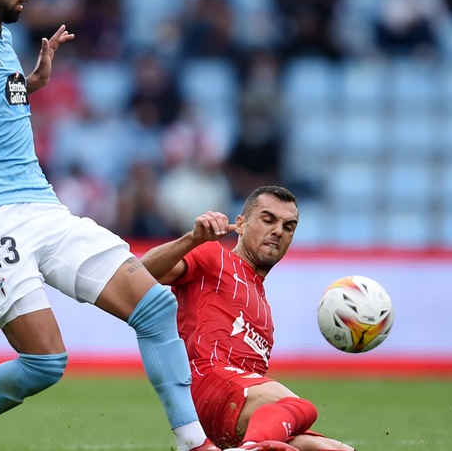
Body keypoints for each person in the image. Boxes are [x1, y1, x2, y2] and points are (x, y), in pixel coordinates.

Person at [0, 0, 219, 450]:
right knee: (46, 363)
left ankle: (192, 442)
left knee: (155, 306)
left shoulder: (4, 38)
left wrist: (30, 84)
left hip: (43, 207)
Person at [141, 186, 355, 451]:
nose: (278, 230)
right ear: (240, 224)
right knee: (301, 408)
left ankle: (250, 446)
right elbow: (142, 273)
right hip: (206, 379)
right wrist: (192, 239)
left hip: (230, 412)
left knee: (335, 449)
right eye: (268, 220)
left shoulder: (265, 313)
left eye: (289, 227)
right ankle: (252, 447)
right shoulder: (213, 256)